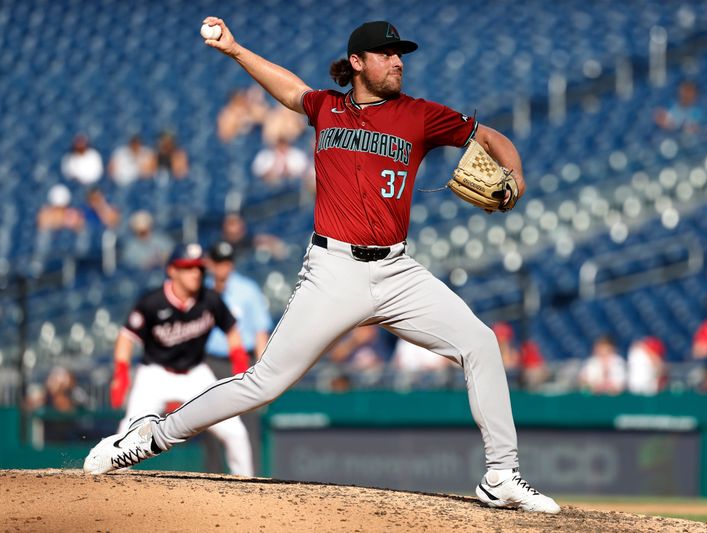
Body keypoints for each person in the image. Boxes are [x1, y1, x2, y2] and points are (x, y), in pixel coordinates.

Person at [84, 18, 559, 514]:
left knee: (480, 342)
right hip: (333, 271)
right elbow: (290, 89)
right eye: (386, 53)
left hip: (398, 272)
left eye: (401, 54)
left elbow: (492, 137)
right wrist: (236, 50)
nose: (398, 61)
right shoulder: (327, 108)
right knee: (265, 381)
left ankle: (501, 475)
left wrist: (517, 175)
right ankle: (148, 436)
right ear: (357, 62)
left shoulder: (420, 115)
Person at [103, 243, 253, 476]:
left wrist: (239, 361)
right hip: (155, 375)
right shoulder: (152, 302)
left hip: (196, 375)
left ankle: (248, 487)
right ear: (172, 270)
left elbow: (232, 329)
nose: (196, 273)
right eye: (188, 267)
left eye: (199, 268)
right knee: (128, 434)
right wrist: (121, 374)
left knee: (235, 432)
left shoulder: (210, 299)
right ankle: (112, 484)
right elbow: (126, 337)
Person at [203, 240, 272, 475]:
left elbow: (260, 330)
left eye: (228, 261)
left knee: (248, 422)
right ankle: (211, 477)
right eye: (219, 261)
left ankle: (250, 480)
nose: (224, 267)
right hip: (210, 361)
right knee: (209, 422)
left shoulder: (247, 289)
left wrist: (263, 369)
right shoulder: (202, 290)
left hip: (242, 361)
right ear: (211, 263)